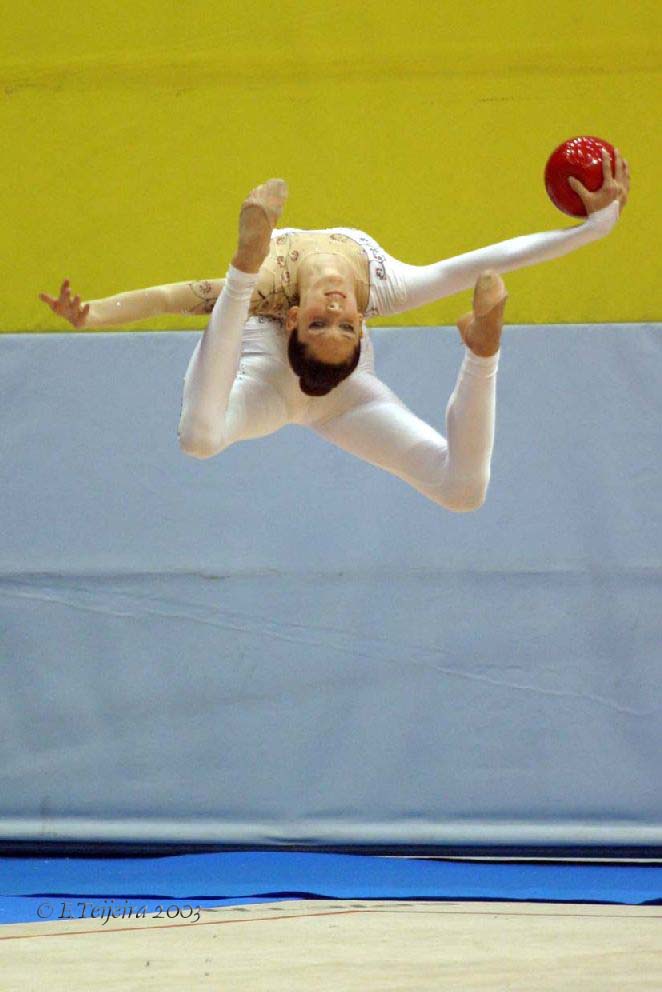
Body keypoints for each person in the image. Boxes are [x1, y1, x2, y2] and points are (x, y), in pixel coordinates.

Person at [39, 150, 629, 512]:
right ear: (362, 325)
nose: (338, 306)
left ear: (293, 319)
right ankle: (484, 352)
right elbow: (489, 259)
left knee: (198, 437)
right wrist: (595, 229)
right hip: (326, 392)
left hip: (279, 381)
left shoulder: (277, 289)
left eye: (321, 320)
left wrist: (92, 315)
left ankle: (241, 267)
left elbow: (169, 299)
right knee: (466, 493)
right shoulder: (385, 289)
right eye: (344, 324)